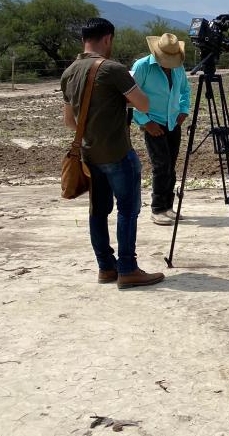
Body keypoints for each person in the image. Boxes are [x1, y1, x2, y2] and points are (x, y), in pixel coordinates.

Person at [60, 18, 165, 289]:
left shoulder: (69, 72)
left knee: (99, 211)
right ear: (108, 38)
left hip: (89, 153)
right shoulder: (113, 69)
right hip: (117, 152)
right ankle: (128, 269)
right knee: (128, 210)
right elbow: (143, 104)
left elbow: (70, 121)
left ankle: (106, 268)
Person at [131, 33, 191, 226]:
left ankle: (168, 206)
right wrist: (145, 122)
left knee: (171, 166)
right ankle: (157, 208)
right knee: (161, 165)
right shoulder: (142, 67)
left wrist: (183, 110)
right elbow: (129, 97)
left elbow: (185, 90)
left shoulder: (178, 68)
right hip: (153, 122)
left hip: (173, 122)